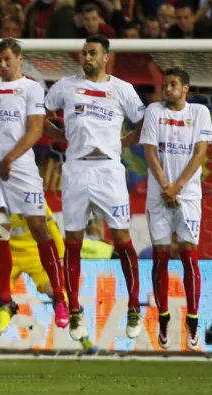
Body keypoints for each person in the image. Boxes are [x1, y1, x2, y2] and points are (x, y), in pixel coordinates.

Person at [44, 34, 145, 342]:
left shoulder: (123, 89)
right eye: (84, 53)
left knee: (122, 238)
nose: (86, 58)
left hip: (109, 172)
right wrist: (60, 137)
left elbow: (144, 123)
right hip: (75, 170)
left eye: (92, 53)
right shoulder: (65, 86)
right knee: (72, 240)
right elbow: (39, 116)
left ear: (105, 58)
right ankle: (74, 310)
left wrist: (122, 142)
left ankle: (134, 306)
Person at [0, 38, 70, 335]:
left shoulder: (31, 88)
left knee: (38, 226)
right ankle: (5, 300)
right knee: (0, 230)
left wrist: (10, 158)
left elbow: (36, 129)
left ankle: (59, 297)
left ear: (19, 58)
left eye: (7, 59)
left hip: (21, 169)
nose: (2, 65)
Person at [0, 162, 96, 354]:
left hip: (37, 259)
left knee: (59, 296)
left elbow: (53, 232)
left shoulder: (33, 200)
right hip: (7, 261)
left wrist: (60, 259)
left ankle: (83, 337)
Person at [140, 67, 211, 351]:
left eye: (173, 85)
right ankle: (164, 317)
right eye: (165, 85)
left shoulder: (199, 113)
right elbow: (148, 152)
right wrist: (165, 186)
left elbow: (201, 152)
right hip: (159, 195)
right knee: (160, 256)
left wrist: (177, 186)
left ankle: (193, 320)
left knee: (189, 255)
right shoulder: (154, 111)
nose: (167, 89)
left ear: (185, 89)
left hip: (188, 195)